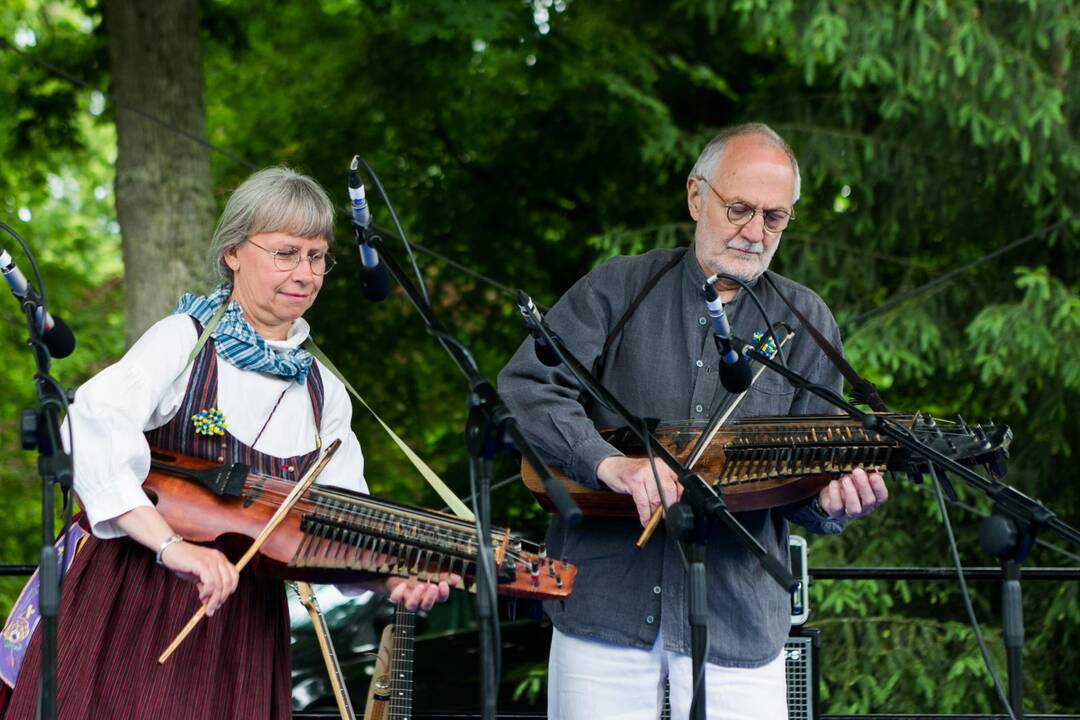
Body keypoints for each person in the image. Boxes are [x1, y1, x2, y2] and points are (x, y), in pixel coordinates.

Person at [1, 167, 450, 719]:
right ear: (234, 252)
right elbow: (89, 423)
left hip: (245, 625)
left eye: (317, 256)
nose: (305, 272)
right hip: (137, 600)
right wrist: (172, 546)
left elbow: (336, 523)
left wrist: (387, 579)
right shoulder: (185, 343)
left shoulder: (321, 391)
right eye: (286, 252)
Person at [498, 123, 889, 719]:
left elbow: (807, 480)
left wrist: (833, 501)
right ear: (695, 197)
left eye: (775, 218)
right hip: (604, 607)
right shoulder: (617, 286)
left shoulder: (805, 319)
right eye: (739, 209)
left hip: (739, 624)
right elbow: (529, 384)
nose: (755, 233)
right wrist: (608, 463)